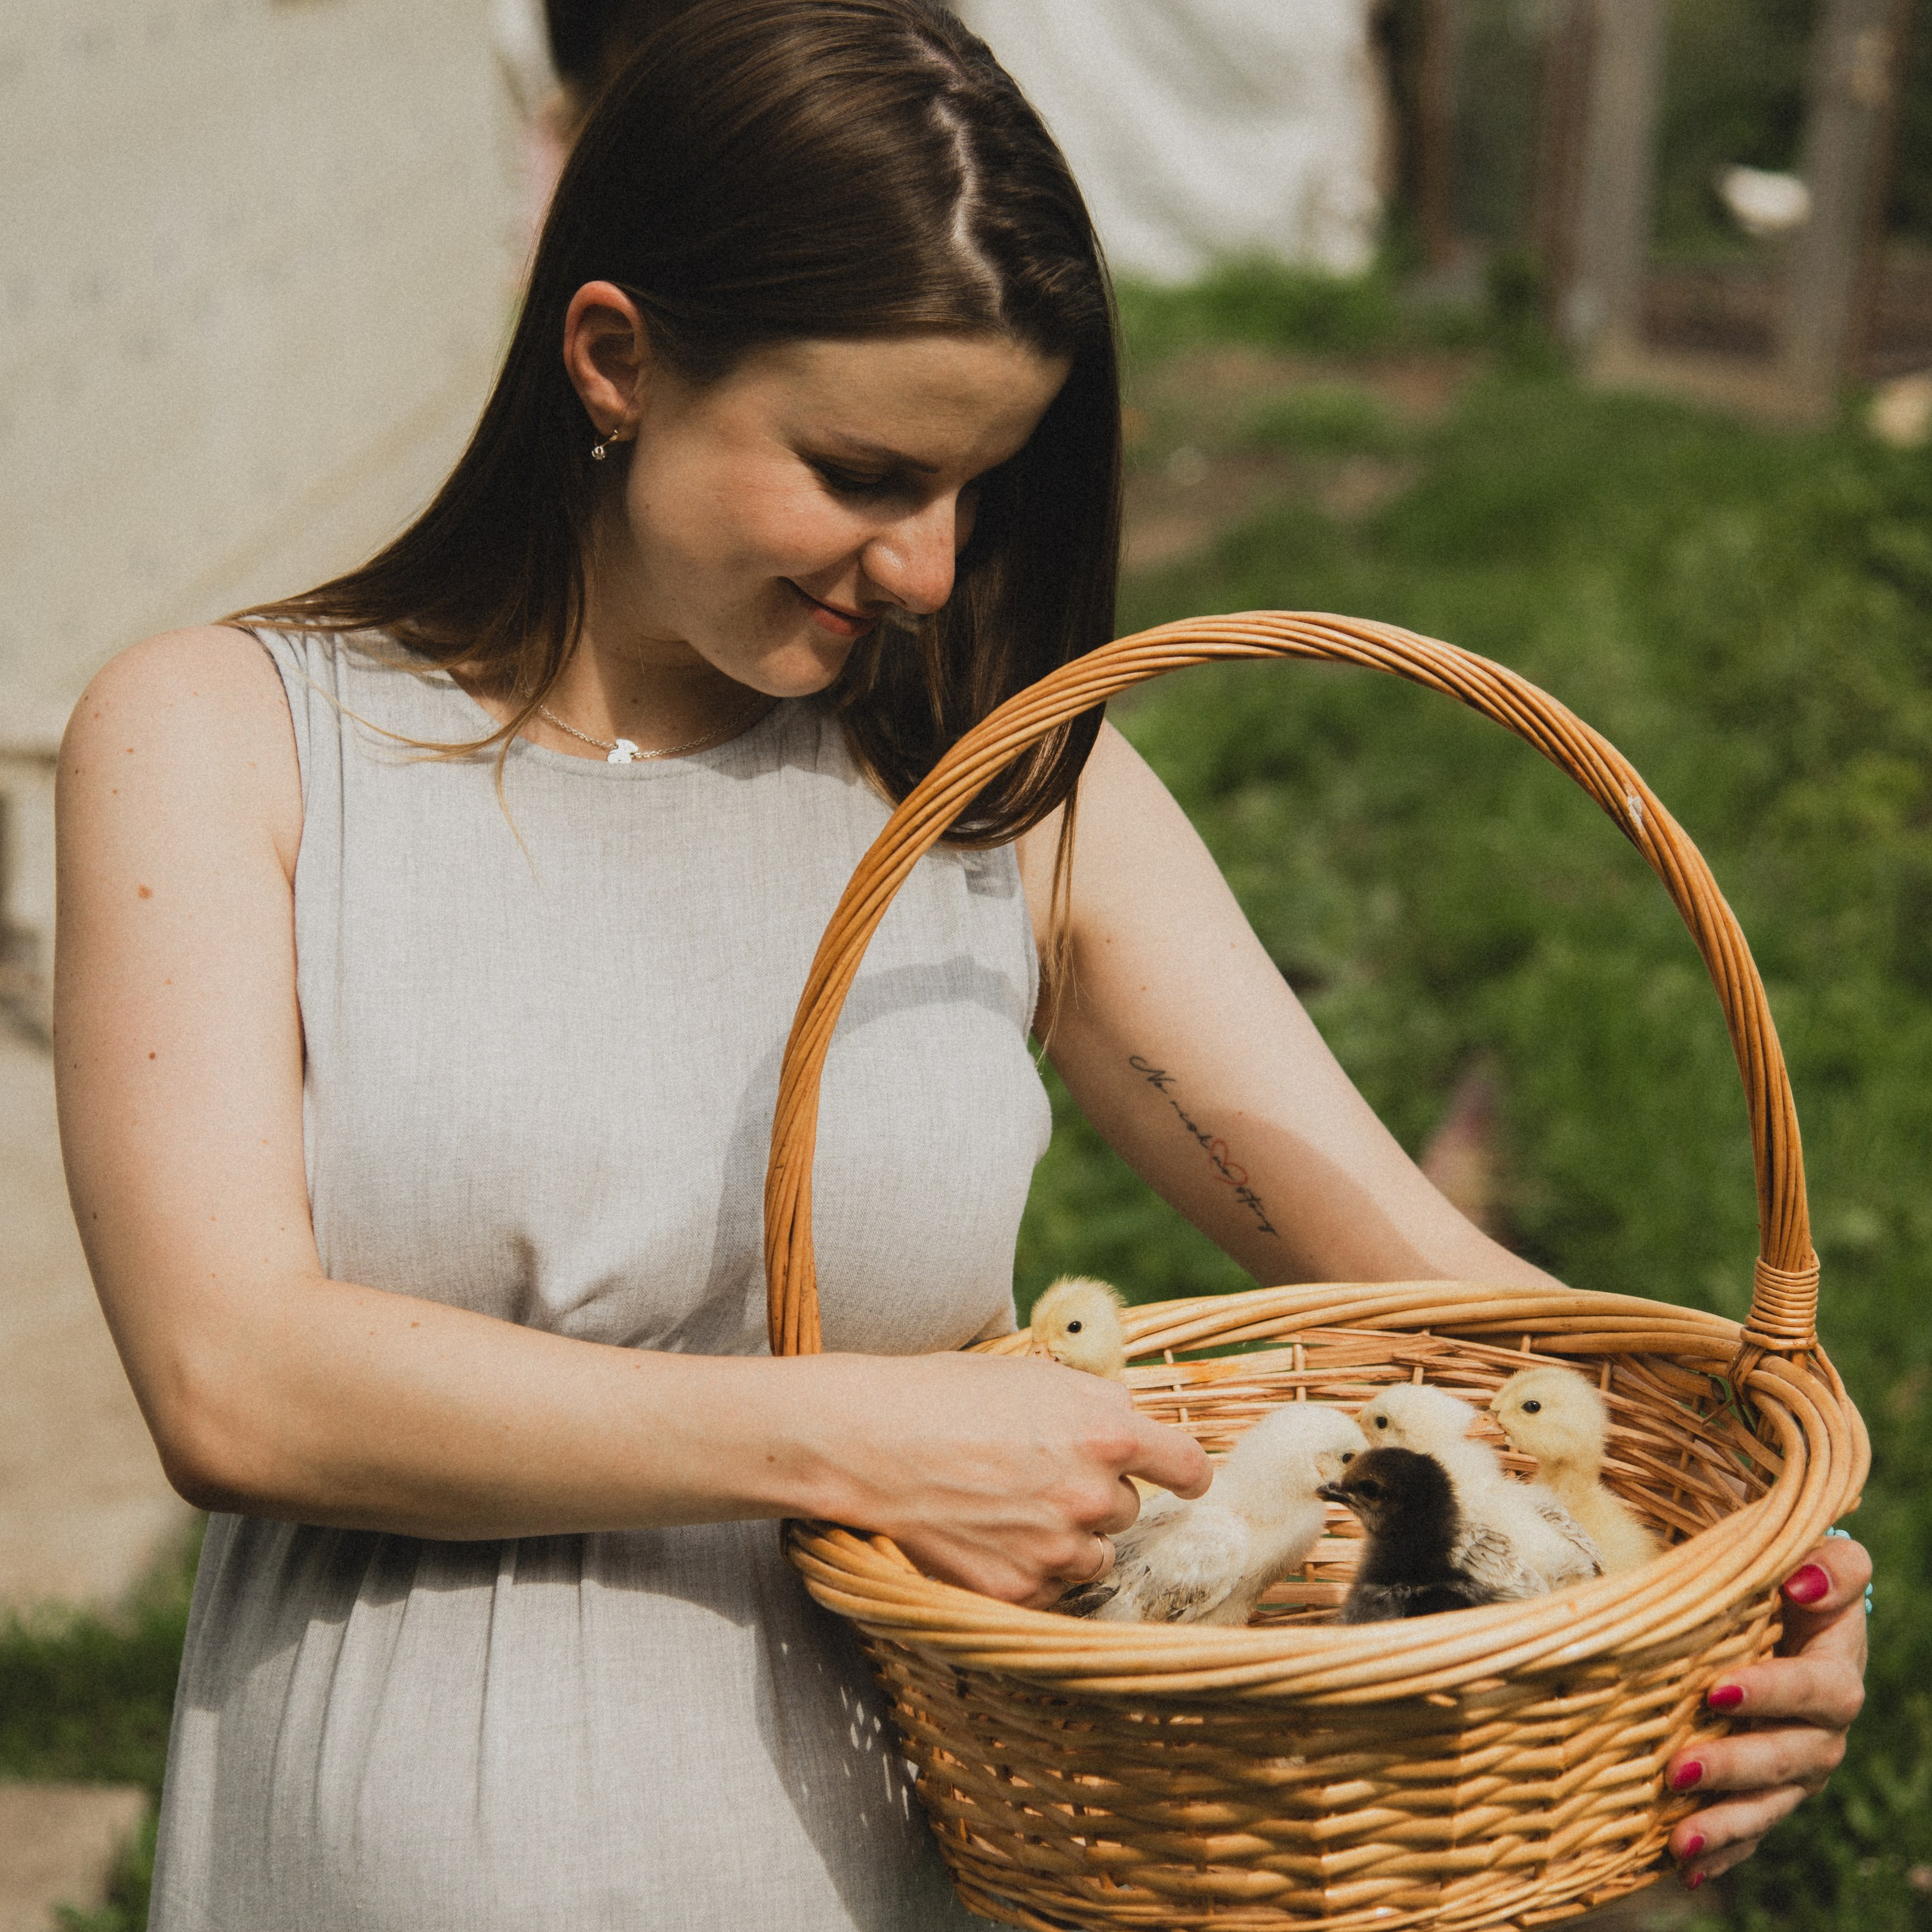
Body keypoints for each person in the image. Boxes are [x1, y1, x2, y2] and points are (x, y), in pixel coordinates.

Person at [54, 3, 1867, 1927]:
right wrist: (856, 1432)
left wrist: (1763, 1574)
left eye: (975, 488)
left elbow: (1454, 1294)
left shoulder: (1005, 797)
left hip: (901, 1868)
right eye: (856, 471)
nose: (923, 566)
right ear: (613, 361)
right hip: (401, 1855)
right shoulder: (228, 741)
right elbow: (233, 1378)